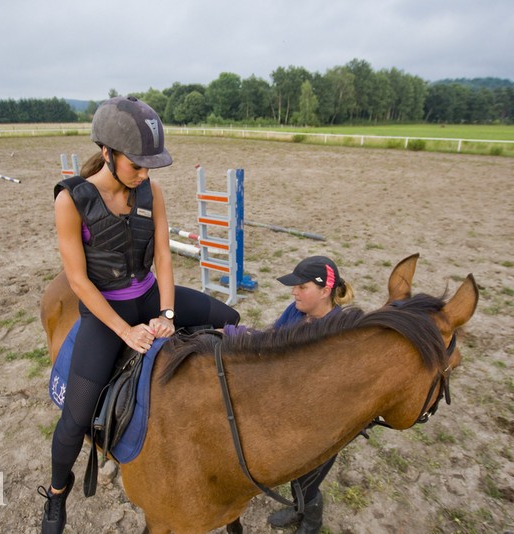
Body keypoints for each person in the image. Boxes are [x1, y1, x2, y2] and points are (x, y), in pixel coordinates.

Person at [38, 96, 240, 534]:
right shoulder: (71, 200)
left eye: (150, 166)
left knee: (231, 317)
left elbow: (164, 256)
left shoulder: (151, 191)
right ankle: (56, 494)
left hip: (150, 295)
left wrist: (166, 312)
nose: (145, 174)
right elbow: (78, 282)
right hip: (104, 312)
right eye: (137, 165)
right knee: (74, 420)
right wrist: (124, 331)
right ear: (108, 153)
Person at [227, 255, 353, 534]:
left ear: (324, 291)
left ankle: (311, 520)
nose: (294, 292)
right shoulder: (296, 311)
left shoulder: (340, 335)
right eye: (293, 286)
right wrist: (231, 334)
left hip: (322, 424)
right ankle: (298, 508)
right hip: (288, 409)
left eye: (301, 287)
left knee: (307, 478)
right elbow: (270, 340)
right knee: (293, 472)